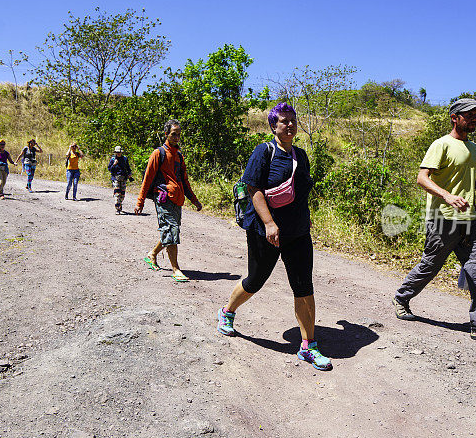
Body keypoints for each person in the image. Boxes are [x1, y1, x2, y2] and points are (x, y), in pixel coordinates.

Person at [215, 102, 332, 371]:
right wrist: (269, 223)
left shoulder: (301, 156)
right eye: (283, 120)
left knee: (304, 287)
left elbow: (302, 189)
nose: (289, 124)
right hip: (265, 232)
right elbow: (253, 188)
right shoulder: (264, 152)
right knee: (255, 280)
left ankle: (308, 346)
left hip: (298, 232)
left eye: (292, 120)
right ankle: (227, 312)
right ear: (273, 125)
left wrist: (306, 217)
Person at [392, 98, 476, 350]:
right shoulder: (441, 145)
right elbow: (421, 177)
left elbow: (468, 184)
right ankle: (401, 298)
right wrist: (447, 196)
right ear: (454, 117)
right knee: (430, 264)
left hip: (471, 220)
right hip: (442, 220)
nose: (473, 119)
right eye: (468, 115)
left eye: (475, 115)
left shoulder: (475, 148)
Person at [134, 119, 202, 282]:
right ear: (166, 134)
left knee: (170, 231)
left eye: (179, 134)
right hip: (163, 198)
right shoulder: (158, 153)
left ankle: (152, 254)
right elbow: (148, 178)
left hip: (177, 200)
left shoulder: (179, 155)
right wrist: (140, 201)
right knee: (171, 230)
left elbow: (184, 181)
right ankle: (175, 269)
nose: (177, 137)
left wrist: (194, 200)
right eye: (173, 134)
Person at [107, 145, 132, 213]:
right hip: (116, 178)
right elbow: (110, 169)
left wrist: (129, 174)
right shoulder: (113, 159)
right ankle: (117, 207)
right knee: (117, 193)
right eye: (117, 152)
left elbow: (128, 168)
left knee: (122, 194)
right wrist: (114, 164)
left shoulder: (124, 159)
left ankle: (119, 204)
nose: (118, 153)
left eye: (119, 152)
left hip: (123, 178)